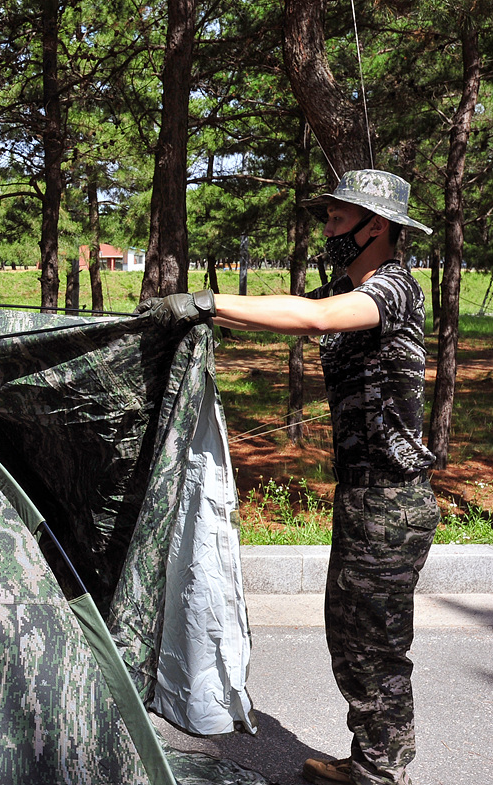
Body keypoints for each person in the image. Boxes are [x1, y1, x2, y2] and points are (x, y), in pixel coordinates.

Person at [141, 169, 439, 785]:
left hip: (392, 500)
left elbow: (315, 317)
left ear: (375, 225)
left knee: (375, 641)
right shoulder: (352, 286)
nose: (326, 228)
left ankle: (382, 772)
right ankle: (370, 759)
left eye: (337, 217)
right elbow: (306, 312)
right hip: (365, 497)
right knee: (352, 633)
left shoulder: (394, 288)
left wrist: (210, 302)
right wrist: (212, 320)